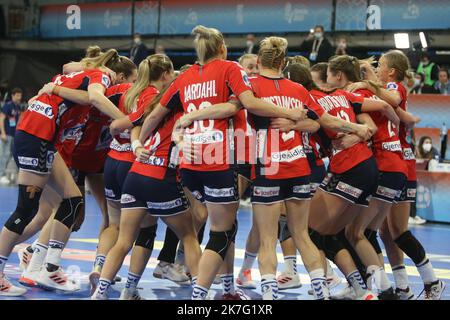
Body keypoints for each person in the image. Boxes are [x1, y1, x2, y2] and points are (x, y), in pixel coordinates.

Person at [0, 49, 134, 296]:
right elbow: (94, 97)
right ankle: (34, 266)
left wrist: (55, 89)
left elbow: (68, 69)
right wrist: (129, 121)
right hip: (38, 134)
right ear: (119, 74)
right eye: (130, 81)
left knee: (66, 203)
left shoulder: (82, 72)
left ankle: (44, 266)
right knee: (29, 209)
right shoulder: (101, 77)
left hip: (41, 136)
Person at [0, 87, 22, 184]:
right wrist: (3, 133)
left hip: (14, 135)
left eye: (20, 95)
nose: (19, 97)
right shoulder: (8, 105)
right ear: (13, 95)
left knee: (10, 156)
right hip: (7, 134)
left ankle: (7, 175)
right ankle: (1, 175)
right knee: (4, 155)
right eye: (17, 95)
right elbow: (1, 119)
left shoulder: (17, 107)